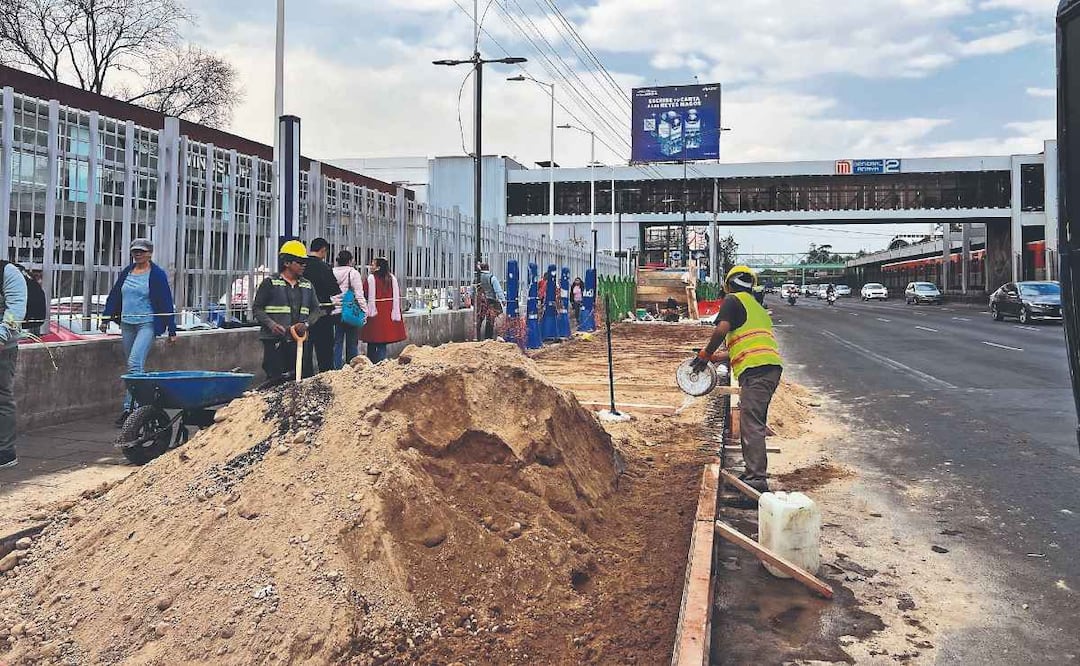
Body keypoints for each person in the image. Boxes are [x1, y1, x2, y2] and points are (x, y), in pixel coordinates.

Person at [692, 265, 783, 496]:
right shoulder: (757, 308)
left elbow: (721, 330)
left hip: (757, 372)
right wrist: (713, 357)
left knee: (752, 424)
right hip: (767, 369)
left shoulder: (732, 300)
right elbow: (742, 346)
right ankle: (752, 473)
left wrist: (704, 355)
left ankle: (756, 482)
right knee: (751, 421)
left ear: (728, 285)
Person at [101, 238, 177, 426]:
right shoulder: (127, 272)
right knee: (133, 367)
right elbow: (115, 294)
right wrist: (106, 318)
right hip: (127, 324)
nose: (138, 254)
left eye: (142, 251)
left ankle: (130, 409)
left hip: (147, 324)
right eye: (135, 251)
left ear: (150, 253)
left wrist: (171, 329)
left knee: (135, 364)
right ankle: (142, 405)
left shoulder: (157, 274)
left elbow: (166, 301)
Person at [253, 240, 321, 384]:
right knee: (275, 380)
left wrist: (306, 324)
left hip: (299, 342)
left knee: (301, 379)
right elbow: (257, 309)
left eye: (304, 262)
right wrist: (271, 325)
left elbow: (316, 310)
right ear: (287, 263)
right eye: (300, 262)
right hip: (275, 341)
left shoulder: (307, 285)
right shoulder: (270, 283)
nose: (304, 265)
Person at [0, 260, 27, 468]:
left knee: (1, 397)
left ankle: (5, 452)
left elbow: (16, 308)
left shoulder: (7, 271)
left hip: (3, 346)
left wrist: (1, 335)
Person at [304, 238, 341, 373]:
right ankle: (325, 380)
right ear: (323, 250)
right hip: (322, 314)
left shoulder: (301, 265)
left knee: (304, 353)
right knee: (325, 352)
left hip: (303, 315)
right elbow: (334, 289)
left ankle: (306, 379)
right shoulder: (324, 267)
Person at [361, 256, 407, 363]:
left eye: (373, 264)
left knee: (371, 341)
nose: (370, 266)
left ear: (378, 267)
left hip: (374, 314)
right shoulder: (392, 279)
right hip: (388, 314)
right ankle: (382, 364)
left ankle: (371, 364)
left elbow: (365, 293)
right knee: (382, 342)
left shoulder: (371, 279)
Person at [332, 249, 367, 368]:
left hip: (334, 311)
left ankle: (335, 369)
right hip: (350, 312)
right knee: (352, 344)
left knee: (337, 343)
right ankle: (351, 369)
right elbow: (359, 294)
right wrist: (364, 311)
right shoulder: (353, 273)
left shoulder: (331, 272)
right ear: (350, 261)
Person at [476, 262, 505, 340]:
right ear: (488, 268)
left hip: (481, 301)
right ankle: (488, 337)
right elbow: (498, 290)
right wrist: (502, 299)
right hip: (491, 301)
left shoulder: (477, 278)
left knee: (480, 319)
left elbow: (473, 289)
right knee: (490, 319)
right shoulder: (492, 277)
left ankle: (478, 337)